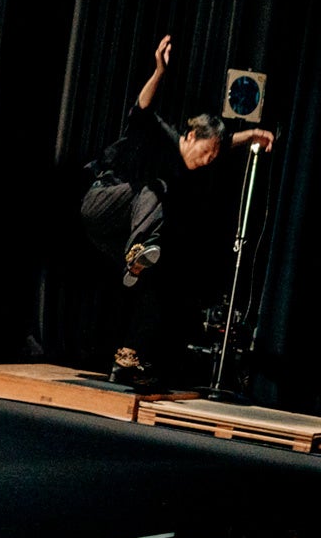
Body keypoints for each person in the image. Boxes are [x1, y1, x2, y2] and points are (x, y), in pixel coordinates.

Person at [78, 35, 275, 388]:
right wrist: (159, 71)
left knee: (159, 277)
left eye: (214, 157)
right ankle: (139, 249)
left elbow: (223, 142)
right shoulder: (162, 136)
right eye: (205, 152)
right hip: (102, 202)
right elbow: (142, 109)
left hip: (117, 234)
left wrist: (249, 137)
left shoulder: (201, 154)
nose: (208, 161)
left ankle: (128, 357)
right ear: (188, 135)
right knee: (157, 188)